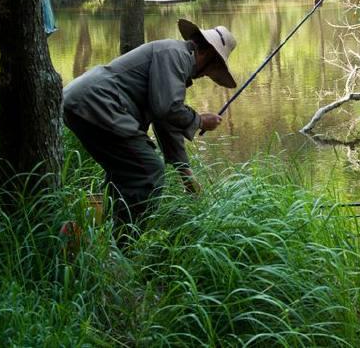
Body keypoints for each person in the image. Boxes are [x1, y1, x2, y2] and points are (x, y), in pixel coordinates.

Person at [62, 19, 237, 236]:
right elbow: (167, 108)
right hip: (98, 103)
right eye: (215, 67)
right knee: (148, 170)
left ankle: (81, 230)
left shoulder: (174, 57)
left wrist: (185, 173)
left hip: (82, 102)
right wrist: (200, 121)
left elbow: (164, 120)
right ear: (208, 54)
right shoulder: (176, 55)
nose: (205, 76)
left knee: (122, 173)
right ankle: (122, 246)